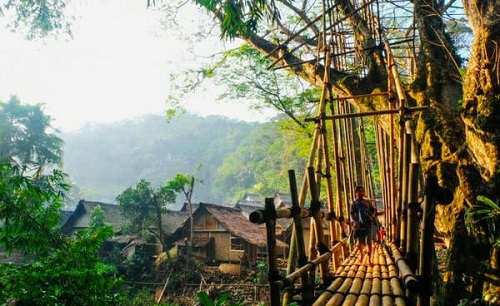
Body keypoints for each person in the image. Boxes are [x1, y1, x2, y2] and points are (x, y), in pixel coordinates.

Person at [350, 185, 376, 266]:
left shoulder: (367, 202)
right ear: (356, 193)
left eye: (363, 191)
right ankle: (361, 255)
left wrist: (372, 216)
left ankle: (369, 260)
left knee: (369, 242)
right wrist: (354, 222)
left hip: (368, 223)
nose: (361, 193)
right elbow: (351, 214)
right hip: (359, 225)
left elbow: (374, 210)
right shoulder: (354, 203)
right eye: (360, 191)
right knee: (360, 242)